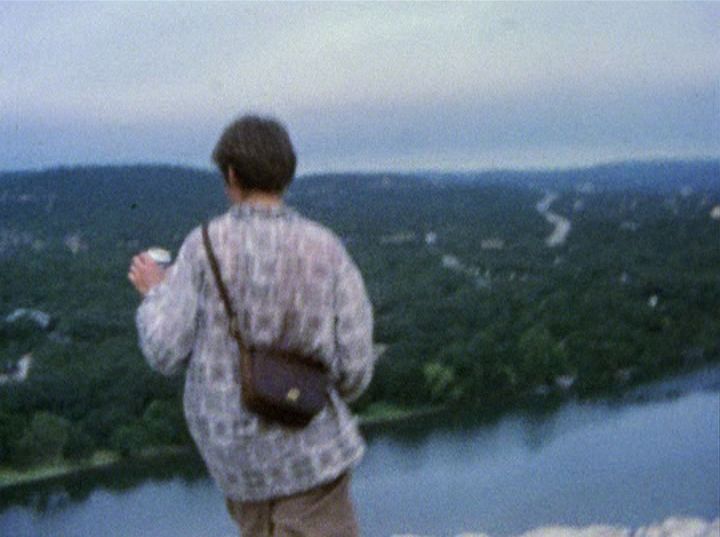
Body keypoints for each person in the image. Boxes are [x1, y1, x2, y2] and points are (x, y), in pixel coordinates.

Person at [128, 114, 375, 537]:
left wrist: (155, 294)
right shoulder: (327, 249)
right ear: (286, 173)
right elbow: (354, 370)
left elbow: (165, 352)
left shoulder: (202, 246)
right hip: (309, 449)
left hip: (237, 463)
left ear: (231, 175)